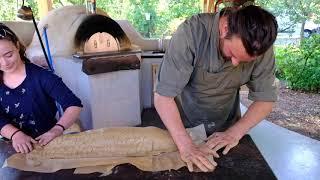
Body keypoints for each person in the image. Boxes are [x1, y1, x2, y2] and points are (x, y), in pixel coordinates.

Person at [154, 5, 278, 172]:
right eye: (232, 54)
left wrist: (235, 132)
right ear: (224, 29)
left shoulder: (260, 44)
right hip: (183, 127)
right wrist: (186, 144)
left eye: (244, 61)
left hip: (227, 128)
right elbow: (163, 97)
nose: (234, 64)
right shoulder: (191, 33)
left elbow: (265, 99)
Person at [0, 23, 83, 153]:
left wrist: (57, 129)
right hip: (11, 147)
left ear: (17, 46)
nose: (4, 63)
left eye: (8, 55)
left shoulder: (42, 77)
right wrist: (16, 134)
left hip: (46, 143)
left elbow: (74, 104)